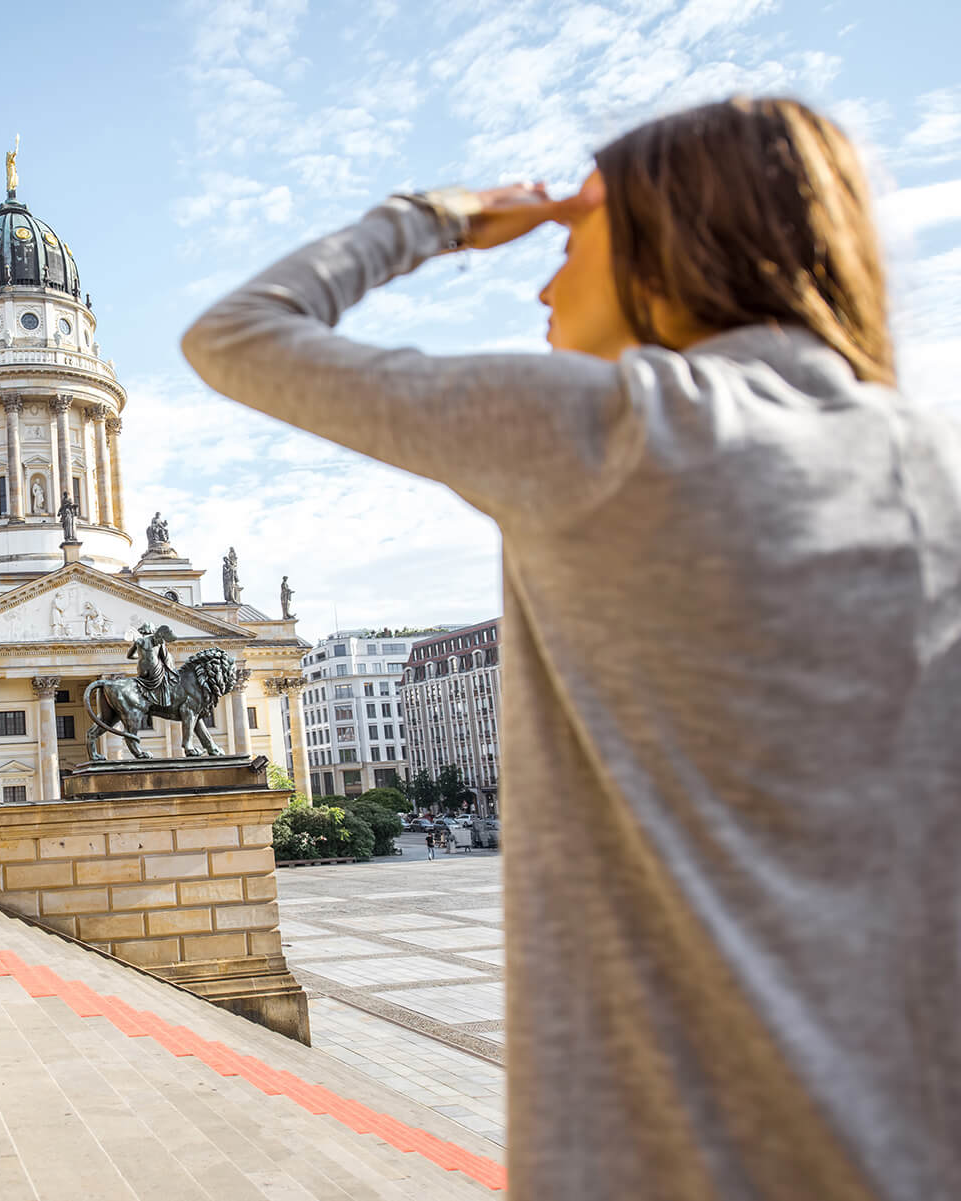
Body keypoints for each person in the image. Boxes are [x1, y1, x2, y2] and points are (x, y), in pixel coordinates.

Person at [181, 97, 960, 1201]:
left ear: (668, 243)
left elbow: (238, 335)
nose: (543, 283)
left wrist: (438, 217)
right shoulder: (925, 456)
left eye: (571, 240)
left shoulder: (612, 430)